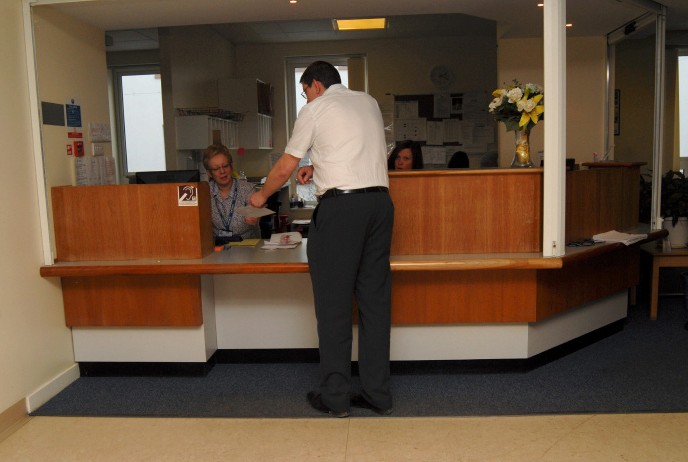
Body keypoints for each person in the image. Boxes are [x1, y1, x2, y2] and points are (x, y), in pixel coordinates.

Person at [249, 61, 394, 418]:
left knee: (333, 307)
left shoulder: (316, 108)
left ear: (314, 85)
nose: (305, 97)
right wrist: (321, 166)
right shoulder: (368, 101)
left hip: (342, 210)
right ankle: (377, 395)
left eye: (304, 91)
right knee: (375, 306)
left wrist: (260, 197)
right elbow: (356, 150)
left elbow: (285, 166)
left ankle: (335, 397)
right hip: (380, 205)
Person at [203, 144, 260, 245]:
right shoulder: (204, 192)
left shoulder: (247, 189)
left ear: (231, 166)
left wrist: (254, 216)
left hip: (246, 246)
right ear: (209, 173)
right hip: (217, 248)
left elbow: (254, 210)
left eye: (225, 166)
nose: (222, 171)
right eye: (216, 169)